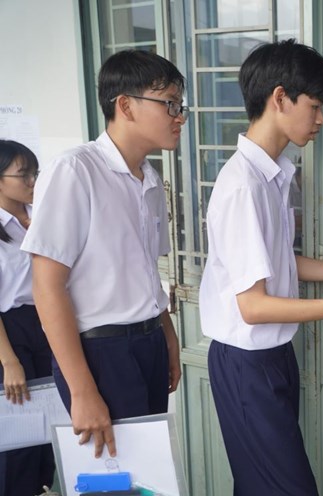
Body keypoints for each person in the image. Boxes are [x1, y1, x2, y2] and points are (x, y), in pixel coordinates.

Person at [199, 40, 323, 495]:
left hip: (271, 358)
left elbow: (276, 263)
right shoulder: (242, 186)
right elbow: (253, 306)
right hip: (246, 362)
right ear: (279, 98)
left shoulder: (273, 174)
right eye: (314, 105)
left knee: (260, 485)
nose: (320, 119)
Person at [21, 50, 185, 459]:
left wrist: (166, 336)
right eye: (169, 104)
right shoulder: (75, 171)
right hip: (100, 352)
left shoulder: (149, 179)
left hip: (146, 342)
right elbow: (47, 287)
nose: (179, 116)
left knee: (147, 473)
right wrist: (82, 390)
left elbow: (146, 271)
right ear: (125, 105)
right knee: (113, 477)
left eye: (180, 106)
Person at [0, 141, 55, 496]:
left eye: (35, 172)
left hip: (47, 325)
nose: (33, 181)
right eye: (23, 175)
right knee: (16, 446)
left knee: (49, 435)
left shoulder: (40, 218)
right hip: (11, 336)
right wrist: (10, 362)